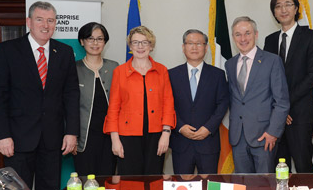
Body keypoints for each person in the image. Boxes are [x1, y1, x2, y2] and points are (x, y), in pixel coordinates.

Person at [0, 1, 79, 190]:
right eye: (40, 19)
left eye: (50, 21)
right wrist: (2, 135)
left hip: (52, 138)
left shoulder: (64, 52)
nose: (45, 25)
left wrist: (71, 132)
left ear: (55, 24)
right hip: (17, 139)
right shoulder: (8, 50)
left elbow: (71, 94)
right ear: (29, 22)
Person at [104, 26, 176, 175]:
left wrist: (166, 133)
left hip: (156, 135)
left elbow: (168, 104)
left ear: (151, 46)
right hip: (127, 136)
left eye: (145, 42)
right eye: (136, 42)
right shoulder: (120, 71)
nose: (140, 46)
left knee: (154, 180)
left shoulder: (162, 70)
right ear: (130, 46)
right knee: (130, 182)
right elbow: (113, 107)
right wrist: (115, 139)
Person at [264, 0, 313, 173]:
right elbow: (267, 79)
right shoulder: (270, 40)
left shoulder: (311, 36)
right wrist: (279, 108)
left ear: (296, 8)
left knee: (303, 165)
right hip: (275, 118)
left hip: (299, 114)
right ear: (274, 12)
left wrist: (285, 104)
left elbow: (312, 76)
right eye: (278, 6)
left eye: (288, 4)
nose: (283, 9)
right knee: (279, 167)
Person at [225, 16, 290, 173]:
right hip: (237, 137)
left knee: (264, 187)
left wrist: (273, 132)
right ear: (233, 37)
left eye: (247, 33)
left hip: (264, 136)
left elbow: (281, 101)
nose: (243, 38)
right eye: (238, 34)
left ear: (256, 34)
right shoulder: (230, 64)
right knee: (242, 187)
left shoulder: (272, 61)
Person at [168, 29, 229, 174]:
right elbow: (168, 105)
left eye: (199, 43)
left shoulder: (218, 75)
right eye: (190, 43)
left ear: (206, 48)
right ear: (183, 47)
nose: (194, 47)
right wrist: (181, 127)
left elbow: (222, 104)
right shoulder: (171, 75)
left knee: (209, 189)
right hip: (181, 143)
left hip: (208, 143)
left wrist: (208, 128)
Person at [74, 22, 118, 176]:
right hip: (84, 139)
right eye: (90, 38)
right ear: (82, 41)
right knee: (87, 185)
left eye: (100, 39)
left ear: (105, 42)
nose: (95, 43)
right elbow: (67, 106)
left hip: (110, 138)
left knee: (108, 184)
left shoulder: (114, 67)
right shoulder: (74, 69)